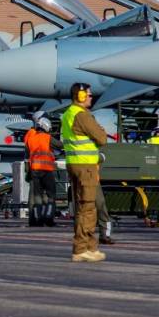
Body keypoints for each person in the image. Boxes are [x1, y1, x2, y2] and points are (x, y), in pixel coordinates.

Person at [61, 83, 108, 262]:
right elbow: (102, 138)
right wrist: (100, 130)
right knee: (87, 208)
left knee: (84, 207)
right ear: (80, 96)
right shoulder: (82, 115)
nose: (91, 97)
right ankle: (81, 248)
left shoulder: (68, 114)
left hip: (74, 164)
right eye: (88, 95)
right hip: (85, 166)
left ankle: (91, 246)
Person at [26, 116, 63, 227]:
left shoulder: (31, 139)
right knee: (51, 195)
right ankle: (48, 218)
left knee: (38, 196)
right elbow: (60, 145)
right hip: (46, 170)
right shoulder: (47, 137)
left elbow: (29, 152)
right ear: (46, 126)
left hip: (35, 170)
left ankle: (38, 220)